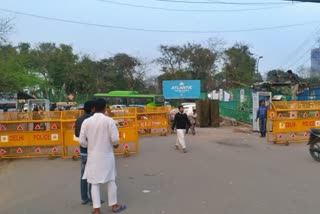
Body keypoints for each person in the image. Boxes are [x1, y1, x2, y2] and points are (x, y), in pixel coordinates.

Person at [80, 99, 126, 214]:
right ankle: (114, 206)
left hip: (93, 156)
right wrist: (115, 145)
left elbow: (82, 141)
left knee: (94, 183)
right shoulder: (109, 121)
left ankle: (96, 210)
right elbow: (115, 139)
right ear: (105, 108)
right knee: (111, 180)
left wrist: (90, 145)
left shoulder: (86, 122)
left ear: (93, 109)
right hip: (107, 155)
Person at [75, 100, 95, 205]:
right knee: (93, 175)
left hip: (83, 151)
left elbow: (77, 135)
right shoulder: (92, 120)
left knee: (84, 175)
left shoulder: (79, 119)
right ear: (92, 109)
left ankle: (84, 197)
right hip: (92, 151)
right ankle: (93, 198)